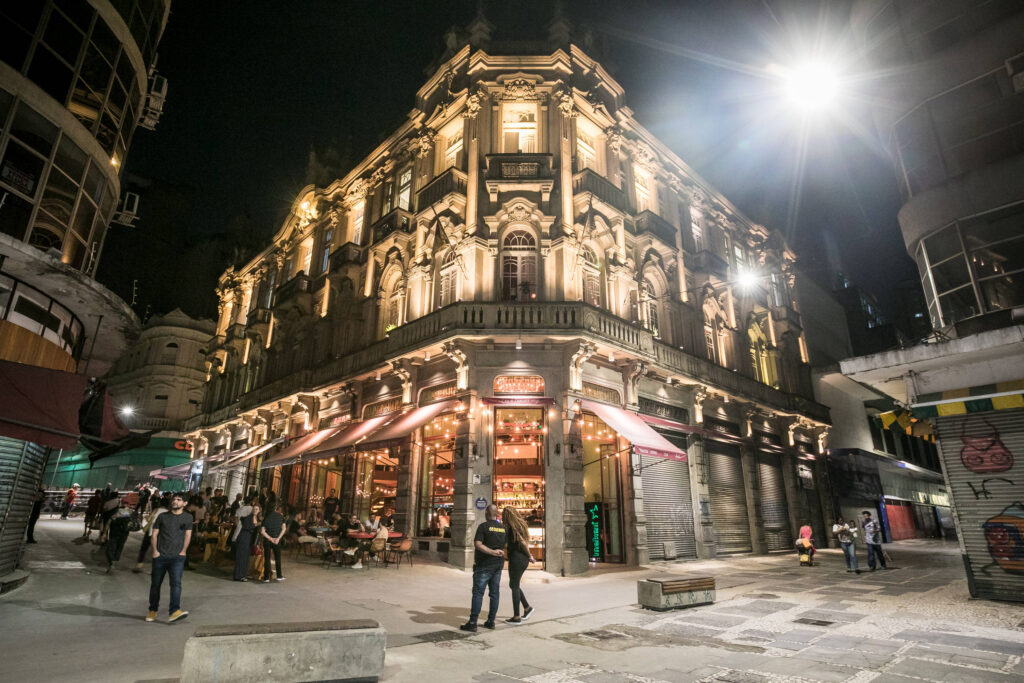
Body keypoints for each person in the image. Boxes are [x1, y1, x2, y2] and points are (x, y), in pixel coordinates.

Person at [147, 493, 192, 623]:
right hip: (160, 556)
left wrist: (183, 551)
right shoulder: (162, 516)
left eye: (179, 500)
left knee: (176, 584)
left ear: (185, 503)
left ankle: (174, 611)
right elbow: (154, 534)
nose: (175, 501)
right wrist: (155, 551)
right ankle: (152, 610)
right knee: (155, 585)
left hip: (177, 558)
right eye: (174, 499)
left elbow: (188, 535)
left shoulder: (188, 517)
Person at [460, 504, 506, 632]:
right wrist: (497, 551)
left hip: (484, 565)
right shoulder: (503, 528)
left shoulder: (483, 527)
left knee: (478, 593)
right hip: (498, 564)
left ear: (486, 513)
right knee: (494, 593)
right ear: (497, 514)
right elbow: (504, 545)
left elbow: (478, 544)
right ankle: (491, 621)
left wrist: (492, 552)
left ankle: (473, 622)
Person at [502, 507, 536, 625]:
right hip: (520, 558)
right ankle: (527, 608)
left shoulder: (512, 528)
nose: (502, 517)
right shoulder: (519, 525)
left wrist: (530, 555)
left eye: (504, 515)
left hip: (517, 559)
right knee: (513, 585)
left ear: (507, 516)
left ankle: (516, 617)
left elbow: (522, 542)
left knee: (514, 586)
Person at [134, 496, 169, 572]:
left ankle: (139, 565)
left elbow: (149, 519)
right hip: (161, 535)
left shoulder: (156, 510)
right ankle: (156, 568)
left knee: (144, 549)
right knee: (157, 551)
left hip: (150, 533)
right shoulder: (169, 513)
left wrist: (147, 518)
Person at [260, 501, 286, 582]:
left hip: (268, 540)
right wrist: (278, 538)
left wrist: (270, 538)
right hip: (277, 540)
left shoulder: (266, 517)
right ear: (275, 508)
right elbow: (284, 529)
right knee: (278, 558)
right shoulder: (280, 516)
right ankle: (279, 576)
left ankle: (266, 577)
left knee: (267, 559)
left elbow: (262, 531)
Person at [232, 496, 257, 581]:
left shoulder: (239, 509)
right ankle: (240, 575)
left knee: (239, 556)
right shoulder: (251, 510)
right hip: (245, 534)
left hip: (237, 533)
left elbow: (236, 522)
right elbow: (253, 523)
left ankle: (238, 574)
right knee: (244, 556)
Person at [105, 501, 133, 573]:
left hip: (114, 533)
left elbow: (108, 522)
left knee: (110, 549)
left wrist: (104, 533)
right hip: (124, 534)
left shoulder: (116, 512)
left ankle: (111, 562)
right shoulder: (130, 513)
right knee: (119, 548)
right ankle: (114, 560)